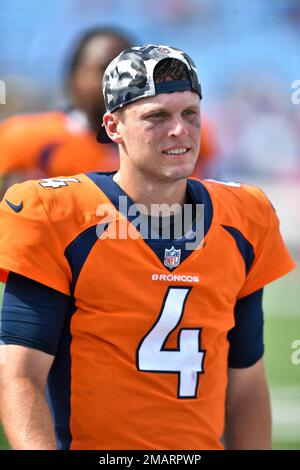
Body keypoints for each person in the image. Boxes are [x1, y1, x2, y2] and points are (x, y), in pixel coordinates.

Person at [0, 44, 295, 450]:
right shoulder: (58, 213)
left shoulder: (244, 216)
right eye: (156, 116)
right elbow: (19, 373)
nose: (180, 130)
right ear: (113, 126)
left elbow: (245, 380)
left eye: (190, 114)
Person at [0, 27, 133, 196]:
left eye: (128, 73)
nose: (119, 82)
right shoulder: (22, 137)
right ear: (74, 78)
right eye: (105, 70)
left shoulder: (148, 152)